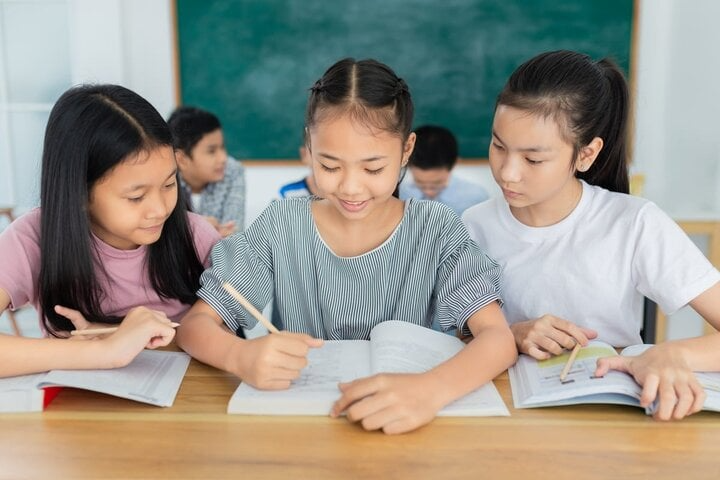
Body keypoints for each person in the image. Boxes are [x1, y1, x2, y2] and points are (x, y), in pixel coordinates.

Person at [177, 58, 516, 434]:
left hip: (405, 416)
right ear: (309, 145)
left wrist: (430, 391)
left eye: (372, 169)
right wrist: (238, 355)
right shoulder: (281, 225)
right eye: (330, 166)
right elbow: (195, 326)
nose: (351, 188)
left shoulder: (435, 229)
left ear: (406, 151)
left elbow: (498, 339)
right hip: (306, 423)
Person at [462, 50, 720, 420]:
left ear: (586, 154)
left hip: (613, 417)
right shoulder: (473, 226)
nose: (507, 173)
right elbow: (451, 337)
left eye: (533, 159)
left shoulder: (634, 223)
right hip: (510, 420)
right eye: (499, 146)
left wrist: (674, 353)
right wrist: (512, 334)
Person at [0, 84, 221, 378]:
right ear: (78, 193)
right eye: (136, 196)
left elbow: (229, 332)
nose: (160, 209)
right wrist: (101, 352)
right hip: (77, 409)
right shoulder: (32, 237)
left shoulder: (196, 237)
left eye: (169, 185)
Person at [168, 106, 245, 237]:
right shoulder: (164, 178)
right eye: (211, 151)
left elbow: (233, 231)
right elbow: (165, 235)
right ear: (181, 159)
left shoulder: (232, 171)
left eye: (222, 147)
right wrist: (198, 226)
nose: (223, 158)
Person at [399, 125, 489, 215]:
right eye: (420, 183)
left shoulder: (475, 198)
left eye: (436, 184)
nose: (428, 192)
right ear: (406, 162)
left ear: (454, 164)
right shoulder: (399, 194)